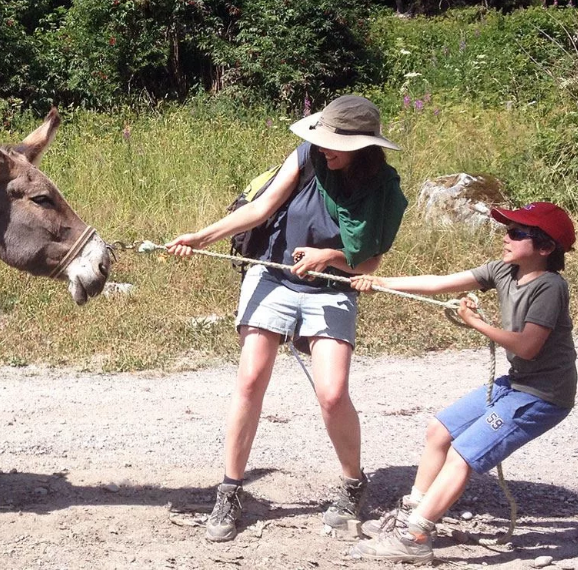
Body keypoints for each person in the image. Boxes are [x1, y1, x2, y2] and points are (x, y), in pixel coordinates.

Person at [166, 95, 407, 542]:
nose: (325, 148)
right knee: (251, 379)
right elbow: (260, 209)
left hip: (332, 287)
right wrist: (202, 237)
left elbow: (369, 262)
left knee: (332, 394)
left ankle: (353, 484)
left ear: (361, 146)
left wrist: (329, 256)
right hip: (272, 275)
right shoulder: (308, 155)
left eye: (336, 143)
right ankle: (230, 490)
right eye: (324, 139)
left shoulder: (381, 187)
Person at [347, 202, 578, 564]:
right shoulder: (503, 270)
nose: (506, 237)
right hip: (516, 383)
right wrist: (381, 282)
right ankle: (413, 510)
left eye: (517, 232)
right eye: (507, 229)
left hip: (542, 396)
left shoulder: (549, 287)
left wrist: (476, 323)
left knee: (463, 453)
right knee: (440, 430)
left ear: (546, 248)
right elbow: (440, 283)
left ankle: (415, 535)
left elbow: (528, 347)